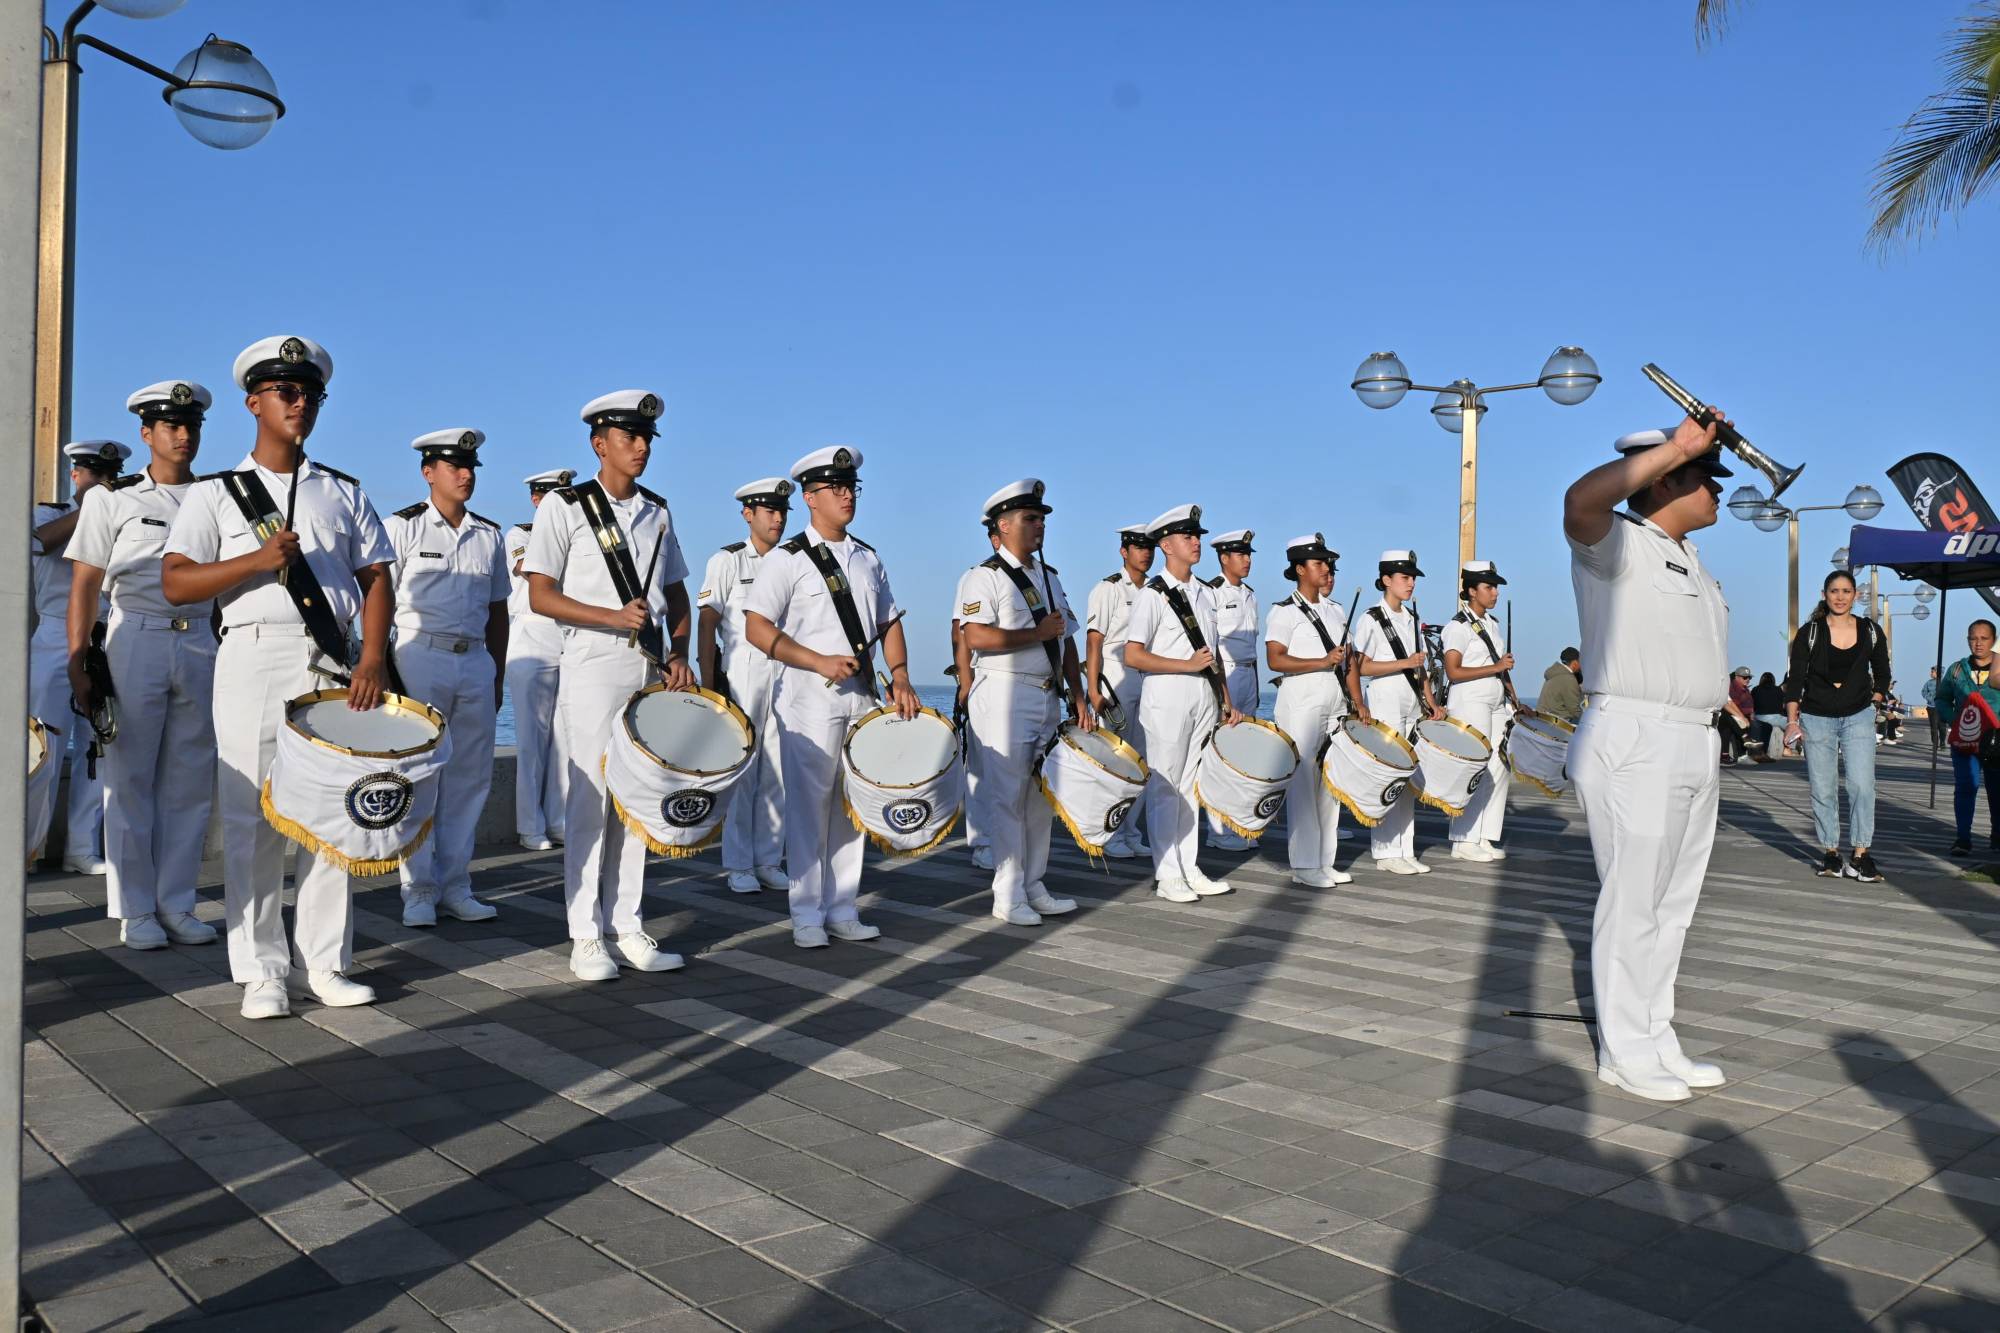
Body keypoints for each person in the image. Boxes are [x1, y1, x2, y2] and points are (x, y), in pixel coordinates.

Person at [161, 334, 395, 1019]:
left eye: (311, 393)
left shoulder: (341, 491)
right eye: (287, 392)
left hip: (331, 661)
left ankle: (324, 960)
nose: (301, 404)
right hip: (252, 653)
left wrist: (374, 658)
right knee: (252, 814)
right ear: (253, 401)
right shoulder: (216, 495)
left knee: (330, 814)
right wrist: (254, 563)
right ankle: (261, 965)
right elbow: (177, 582)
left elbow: (376, 576)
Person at [1563, 419, 1734, 1102]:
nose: (1718, 490)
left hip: (1694, 736)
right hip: (1636, 734)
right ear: (1667, 477)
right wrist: (1677, 446)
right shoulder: (1620, 545)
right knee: (1633, 901)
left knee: (1672, 906)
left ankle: (1655, 1033)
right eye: (1705, 476)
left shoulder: (1689, 556)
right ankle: (1624, 1048)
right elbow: (1579, 503)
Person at [523, 389, 692, 981]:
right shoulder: (565, 509)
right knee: (590, 797)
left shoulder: (659, 512)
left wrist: (679, 652)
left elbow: (676, 594)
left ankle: (629, 923)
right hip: (592, 662)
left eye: (646, 438)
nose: (641, 446)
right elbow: (539, 593)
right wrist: (610, 616)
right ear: (600, 444)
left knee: (637, 798)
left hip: (645, 667)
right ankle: (585, 934)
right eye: (630, 437)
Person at [63, 383, 219, 950]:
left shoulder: (218, 497)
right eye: (171, 426)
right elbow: (85, 582)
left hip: (201, 641)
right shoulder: (115, 499)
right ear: (146, 434)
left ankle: (177, 902)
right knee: (129, 779)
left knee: (189, 781)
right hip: (137, 638)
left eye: (191, 426)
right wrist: (77, 660)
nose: (183, 436)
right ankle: (135, 910)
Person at [745, 446, 918, 949]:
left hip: (861, 696)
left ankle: (843, 906)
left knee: (851, 804)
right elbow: (757, 627)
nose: (847, 495)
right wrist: (817, 661)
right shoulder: (787, 560)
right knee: (810, 805)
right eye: (835, 488)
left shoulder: (868, 558)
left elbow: (888, 622)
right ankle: (805, 912)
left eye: (851, 487)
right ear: (809, 497)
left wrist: (902, 673)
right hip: (809, 697)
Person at [386, 429, 510, 926]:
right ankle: (417, 887)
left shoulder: (489, 534)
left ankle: (457, 883)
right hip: (420, 656)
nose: (465, 475)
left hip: (475, 660)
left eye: (471, 467)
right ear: (427, 472)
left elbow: (499, 609)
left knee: (470, 777)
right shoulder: (403, 527)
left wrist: (497, 674)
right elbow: (375, 597)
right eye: (454, 466)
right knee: (417, 774)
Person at [956, 479, 1091, 925]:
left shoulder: (1049, 578)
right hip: (1003, 692)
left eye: (1042, 519)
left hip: (1046, 694)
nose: (1040, 527)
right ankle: (1007, 894)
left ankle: (1034, 883)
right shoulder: (984, 577)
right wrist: (1036, 633)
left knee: (1040, 796)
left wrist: (1078, 695)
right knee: (1007, 795)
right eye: (1031, 519)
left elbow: (1066, 640)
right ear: (1004, 525)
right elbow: (975, 636)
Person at [1123, 504, 1243, 903]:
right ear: (1166, 545)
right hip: (1168, 692)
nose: (1196, 542)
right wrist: (1185, 664)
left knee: (1193, 784)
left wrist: (1226, 700)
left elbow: (1212, 655)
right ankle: (1167, 872)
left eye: (1197, 536)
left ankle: (1188, 865)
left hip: (1204, 694)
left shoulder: (1207, 594)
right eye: (1188, 537)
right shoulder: (1151, 595)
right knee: (1166, 784)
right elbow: (1133, 655)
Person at [697, 476, 794, 894]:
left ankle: (769, 858)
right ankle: (738, 863)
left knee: (780, 770)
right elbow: (707, 621)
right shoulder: (729, 561)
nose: (778, 518)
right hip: (743, 671)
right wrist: (705, 680)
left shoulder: (794, 560)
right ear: (748, 514)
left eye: (783, 511)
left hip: (788, 672)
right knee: (744, 770)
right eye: (770, 511)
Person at [30, 440, 120, 874]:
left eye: (108, 475)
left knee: (95, 749)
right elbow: (39, 543)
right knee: (42, 745)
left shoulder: (121, 516)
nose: (101, 482)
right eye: (92, 474)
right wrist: (92, 509)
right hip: (52, 636)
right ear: (75, 475)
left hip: (104, 637)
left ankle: (82, 849)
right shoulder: (49, 513)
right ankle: (26, 847)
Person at [1781, 570, 1890, 881]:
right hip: (1816, 718)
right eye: (1834, 591)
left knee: (1862, 785)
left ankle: (1860, 854)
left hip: (1859, 715)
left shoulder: (1870, 630)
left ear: (1856, 595)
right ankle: (1831, 852)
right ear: (1824, 594)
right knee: (1823, 787)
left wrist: (1875, 702)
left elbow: (1882, 671)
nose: (1840, 597)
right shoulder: (1809, 632)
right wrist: (1792, 721)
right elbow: (1795, 681)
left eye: (1846, 591)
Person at [1264, 533, 1353, 888]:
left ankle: (1324, 860)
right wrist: (1321, 661)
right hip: (1301, 702)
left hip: (1334, 700)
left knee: (1330, 782)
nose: (1326, 568)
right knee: (1303, 783)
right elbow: (1275, 659)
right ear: (1300, 569)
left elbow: (1350, 662)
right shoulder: (1283, 611)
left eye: (1327, 563)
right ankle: (1303, 865)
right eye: (1318, 563)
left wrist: (1357, 703)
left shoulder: (1336, 610)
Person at [1351, 550, 1445, 875]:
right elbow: (1360, 665)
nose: (1411, 583)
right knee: (1390, 772)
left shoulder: (1412, 618)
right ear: (1387, 580)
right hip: (1385, 696)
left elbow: (1421, 671)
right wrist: (1405, 663)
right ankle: (1386, 849)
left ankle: (1405, 847)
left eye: (1413, 577)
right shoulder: (1370, 618)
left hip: (1411, 699)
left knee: (1407, 773)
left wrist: (1432, 704)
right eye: (1405, 577)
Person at [505, 469, 574, 851]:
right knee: (532, 737)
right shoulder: (520, 534)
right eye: (550, 494)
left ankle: (559, 818)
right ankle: (530, 825)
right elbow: (528, 569)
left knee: (565, 736)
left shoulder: (576, 534)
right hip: (531, 635)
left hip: (566, 633)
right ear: (536, 499)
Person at [1442, 560, 1520, 863]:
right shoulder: (1458, 626)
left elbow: (1503, 668)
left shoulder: (1493, 625)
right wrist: (1496, 667)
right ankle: (1463, 840)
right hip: (1470, 699)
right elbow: (1453, 671)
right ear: (1472, 591)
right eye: (1489, 587)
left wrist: (1514, 698)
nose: (1495, 592)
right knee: (1475, 765)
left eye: (1496, 586)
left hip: (1496, 700)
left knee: (1499, 766)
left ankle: (1485, 834)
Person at [1086, 523, 1155, 859]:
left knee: (1142, 760)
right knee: (1112, 760)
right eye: (1139, 547)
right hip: (1116, 677)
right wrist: (1093, 688)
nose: (1146, 553)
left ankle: (1130, 831)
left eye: (1150, 547)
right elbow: (1094, 640)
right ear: (1124, 551)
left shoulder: (1156, 591)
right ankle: (1105, 833)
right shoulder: (1109, 588)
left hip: (1148, 676)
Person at [1205, 530, 1261, 850]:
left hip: (1250, 674)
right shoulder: (1211, 592)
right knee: (1220, 750)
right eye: (1241, 555)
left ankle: (1237, 824)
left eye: (1249, 554)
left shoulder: (1251, 594)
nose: (1247, 560)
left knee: (1244, 753)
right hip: (1225, 673)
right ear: (1224, 558)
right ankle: (1217, 830)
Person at [955, 520, 1003, 872]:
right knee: (982, 767)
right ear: (993, 537)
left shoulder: (1044, 575)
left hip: (1029, 686)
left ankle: (1007, 841)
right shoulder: (978, 576)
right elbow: (960, 633)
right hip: (987, 679)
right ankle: (983, 841)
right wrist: (965, 679)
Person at [1936, 619, 2000, 856]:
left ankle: (1997, 837)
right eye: (1973, 638)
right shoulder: (1956, 669)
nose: (1978, 643)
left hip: (1996, 740)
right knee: (1965, 787)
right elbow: (1942, 698)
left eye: (1984, 638)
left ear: (1993, 640)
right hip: (1964, 740)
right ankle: (1963, 838)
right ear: (1967, 640)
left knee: (1997, 790)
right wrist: (1955, 719)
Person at [1719, 667, 1755, 765]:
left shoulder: (1744, 688)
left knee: (1764, 726)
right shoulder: (1733, 687)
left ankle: (1754, 752)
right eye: (1745, 677)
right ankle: (1741, 754)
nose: (1747, 680)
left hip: (1740, 714)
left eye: (1749, 678)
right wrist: (1742, 717)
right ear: (1737, 677)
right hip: (1725, 714)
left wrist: (1748, 715)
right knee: (1733, 722)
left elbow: (1730, 702)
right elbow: (1728, 705)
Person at [1751, 671, 1788, 758]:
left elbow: (1752, 704)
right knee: (1793, 725)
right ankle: (1788, 748)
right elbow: (1783, 705)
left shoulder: (1755, 689)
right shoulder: (1778, 689)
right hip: (1777, 718)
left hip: (1760, 717)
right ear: (1773, 680)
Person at [1540, 648, 1583, 723]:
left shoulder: (1554, 674)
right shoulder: (1569, 679)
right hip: (1556, 724)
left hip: (1543, 720)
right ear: (1575, 663)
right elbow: (1575, 710)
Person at [1924, 665, 1944, 749]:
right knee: (1933, 726)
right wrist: (1929, 698)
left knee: (1942, 726)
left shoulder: (1946, 682)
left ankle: (1942, 743)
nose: (1931, 673)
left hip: (1943, 707)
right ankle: (1935, 744)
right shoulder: (1928, 682)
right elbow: (1923, 692)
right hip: (1931, 707)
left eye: (1932, 672)